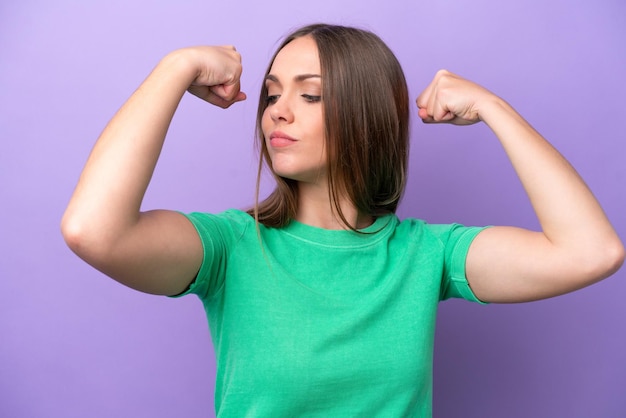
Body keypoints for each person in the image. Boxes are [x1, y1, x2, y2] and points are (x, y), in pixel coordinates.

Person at [61, 23, 624, 417]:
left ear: (366, 116)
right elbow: (94, 230)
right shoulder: (230, 247)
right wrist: (174, 69)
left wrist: (496, 110)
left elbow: (591, 253)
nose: (277, 110)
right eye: (272, 94)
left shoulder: (426, 255)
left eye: (310, 96)